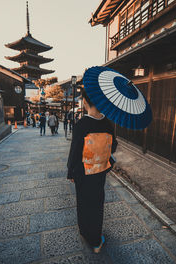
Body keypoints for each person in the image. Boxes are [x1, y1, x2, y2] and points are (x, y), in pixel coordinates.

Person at [67, 88, 117, 253]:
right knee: (97, 202)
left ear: (85, 102)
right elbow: (113, 147)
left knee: (83, 202)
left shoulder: (82, 124)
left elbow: (75, 151)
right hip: (100, 170)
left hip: (83, 172)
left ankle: (87, 233)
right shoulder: (108, 124)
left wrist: (70, 172)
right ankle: (96, 238)